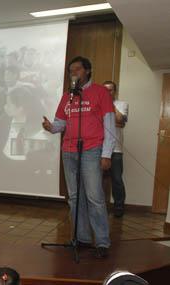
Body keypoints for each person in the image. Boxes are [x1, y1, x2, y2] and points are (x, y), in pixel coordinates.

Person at [42, 56, 115, 258]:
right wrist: (51, 127)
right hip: (69, 151)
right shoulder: (67, 96)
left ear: (88, 71)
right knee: (74, 198)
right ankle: (81, 238)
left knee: (94, 197)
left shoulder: (100, 92)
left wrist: (107, 153)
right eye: (70, 70)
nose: (73, 73)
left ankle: (102, 242)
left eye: (77, 69)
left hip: (92, 149)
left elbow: (109, 124)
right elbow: (60, 124)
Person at [103, 81, 129, 217]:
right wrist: (114, 123)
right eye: (105, 90)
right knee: (97, 179)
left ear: (115, 91)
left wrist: (109, 104)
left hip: (116, 150)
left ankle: (119, 208)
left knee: (117, 179)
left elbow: (121, 121)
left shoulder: (122, 104)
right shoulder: (97, 104)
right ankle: (98, 207)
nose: (107, 93)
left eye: (110, 90)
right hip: (99, 149)